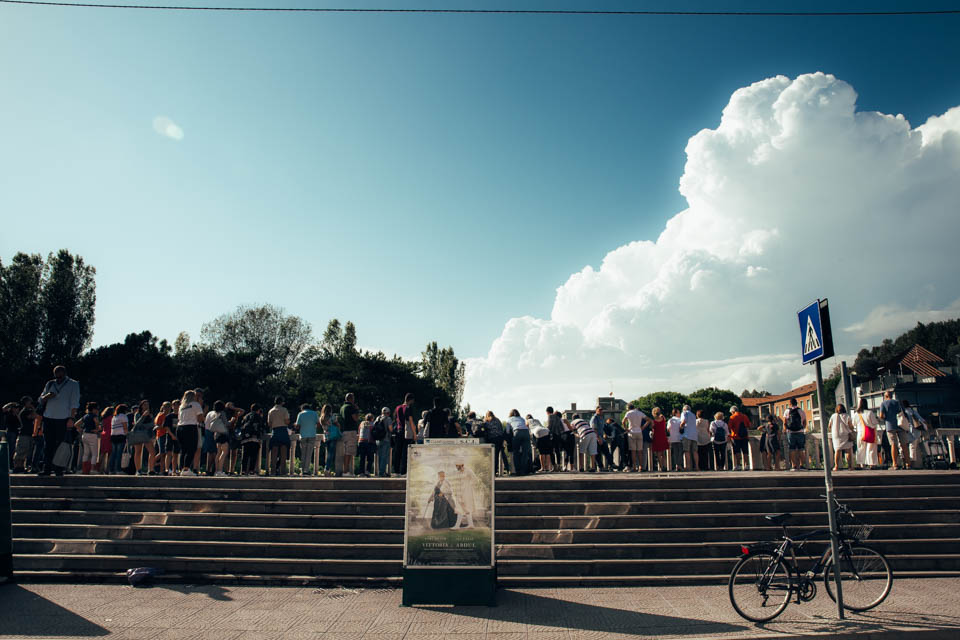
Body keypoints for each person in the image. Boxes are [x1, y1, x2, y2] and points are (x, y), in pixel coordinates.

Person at [37, 365, 80, 476]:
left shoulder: (73, 384)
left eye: (60, 376)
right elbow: (40, 399)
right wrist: (47, 396)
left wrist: (71, 418)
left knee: (61, 445)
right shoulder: (50, 383)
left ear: (64, 373)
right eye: (57, 376)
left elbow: (74, 402)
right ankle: (47, 468)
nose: (58, 378)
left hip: (63, 417)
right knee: (48, 444)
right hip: (49, 416)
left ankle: (58, 468)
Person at [878, 391, 910, 470]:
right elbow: (904, 413)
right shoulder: (897, 402)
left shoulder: (883, 404)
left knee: (893, 444)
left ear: (885, 396)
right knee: (904, 444)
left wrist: (885, 419)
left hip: (890, 425)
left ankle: (895, 464)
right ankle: (908, 463)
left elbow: (881, 415)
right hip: (900, 425)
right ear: (891, 396)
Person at [177, 390, 203, 476]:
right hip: (190, 427)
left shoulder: (181, 406)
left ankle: (181, 468)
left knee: (183, 450)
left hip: (180, 427)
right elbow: (200, 418)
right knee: (191, 448)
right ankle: (187, 468)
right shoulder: (196, 404)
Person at [131, 399, 158, 476]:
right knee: (138, 452)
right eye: (145, 404)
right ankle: (138, 470)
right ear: (141, 406)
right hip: (138, 434)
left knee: (152, 452)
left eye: (147, 404)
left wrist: (146, 424)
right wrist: (143, 416)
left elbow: (152, 425)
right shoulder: (137, 414)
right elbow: (137, 424)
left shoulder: (151, 415)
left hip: (147, 435)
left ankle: (151, 469)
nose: (146, 406)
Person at [622, 404, 650, 473]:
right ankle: (641, 467)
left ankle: (634, 466)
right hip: (639, 432)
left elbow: (623, 421)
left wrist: (626, 428)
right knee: (640, 451)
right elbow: (648, 420)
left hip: (631, 432)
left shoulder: (628, 413)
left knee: (633, 451)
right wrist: (643, 427)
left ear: (628, 408)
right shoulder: (639, 413)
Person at [393, 394, 416, 476]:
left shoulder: (398, 407)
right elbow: (410, 420)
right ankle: (403, 471)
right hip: (406, 432)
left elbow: (395, 419)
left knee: (397, 451)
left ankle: (396, 471)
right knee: (405, 452)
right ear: (410, 400)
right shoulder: (408, 408)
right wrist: (414, 434)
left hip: (398, 431)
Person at [900, 399, 928, 468]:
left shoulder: (902, 412)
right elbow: (921, 419)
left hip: (905, 431)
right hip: (915, 431)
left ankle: (904, 462)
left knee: (902, 447)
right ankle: (911, 463)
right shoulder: (912, 411)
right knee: (913, 447)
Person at [239, 404, 265, 476]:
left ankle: (243, 471)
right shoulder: (258, 416)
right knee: (253, 456)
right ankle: (251, 471)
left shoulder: (246, 416)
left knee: (245, 456)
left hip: (245, 439)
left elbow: (241, 426)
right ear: (258, 410)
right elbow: (261, 427)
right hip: (254, 438)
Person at [267, 397, 291, 476]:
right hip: (283, 431)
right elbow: (287, 421)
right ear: (282, 402)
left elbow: (269, 423)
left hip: (275, 431)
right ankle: (283, 471)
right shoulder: (284, 410)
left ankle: (273, 471)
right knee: (283, 453)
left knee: (274, 453)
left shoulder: (271, 411)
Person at [854, 398, 880, 469]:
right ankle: (871, 464)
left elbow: (853, 424)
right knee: (871, 449)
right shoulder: (869, 413)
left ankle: (861, 464)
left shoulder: (856, 414)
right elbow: (874, 423)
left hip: (860, 433)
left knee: (860, 449)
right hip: (870, 433)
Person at [452, 461, 479, 529]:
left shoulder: (468, 471)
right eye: (456, 465)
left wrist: (469, 485)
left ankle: (458, 526)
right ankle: (470, 525)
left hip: (467, 492)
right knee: (460, 507)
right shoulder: (458, 472)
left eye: (457, 465)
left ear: (461, 465)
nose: (456, 467)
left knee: (466, 507)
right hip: (459, 492)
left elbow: (475, 479)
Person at [783, 398, 808, 471]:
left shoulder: (787, 411)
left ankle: (793, 466)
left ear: (790, 404)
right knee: (801, 449)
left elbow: (784, 422)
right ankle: (801, 465)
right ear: (796, 403)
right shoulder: (801, 411)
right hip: (800, 432)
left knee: (792, 449)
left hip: (790, 432)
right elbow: (804, 422)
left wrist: (785, 430)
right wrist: (802, 429)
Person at [295, 403, 320, 476]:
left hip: (303, 436)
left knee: (303, 453)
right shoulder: (314, 413)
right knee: (309, 454)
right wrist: (313, 427)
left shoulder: (300, 414)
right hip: (312, 435)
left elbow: (297, 426)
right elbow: (318, 425)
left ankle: (303, 470)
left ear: (302, 408)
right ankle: (306, 470)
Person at [75, 401, 99, 475]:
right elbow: (97, 422)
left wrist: (80, 429)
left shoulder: (85, 416)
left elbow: (76, 424)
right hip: (92, 435)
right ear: (94, 409)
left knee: (86, 453)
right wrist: (97, 428)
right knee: (94, 453)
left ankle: (84, 469)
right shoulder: (94, 416)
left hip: (84, 435)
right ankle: (92, 469)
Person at [339, 393, 360, 476]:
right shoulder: (351, 407)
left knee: (346, 451)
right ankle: (346, 471)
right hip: (351, 431)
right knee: (349, 452)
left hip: (344, 431)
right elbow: (355, 418)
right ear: (351, 399)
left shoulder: (342, 407)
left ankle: (346, 470)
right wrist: (356, 410)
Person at [506, 409, 531, 475]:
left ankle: (518, 471)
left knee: (516, 452)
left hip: (517, 433)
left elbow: (507, 431)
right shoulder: (522, 418)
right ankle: (523, 471)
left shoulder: (509, 419)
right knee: (525, 453)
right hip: (526, 432)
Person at [483, 411, 509, 476]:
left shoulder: (487, 422)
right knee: (503, 454)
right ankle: (508, 470)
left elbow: (485, 430)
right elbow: (501, 428)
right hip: (500, 438)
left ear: (487, 416)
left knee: (495, 456)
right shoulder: (497, 420)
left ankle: (494, 472)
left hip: (493, 439)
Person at [728, 405, 751, 471]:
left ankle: (738, 465)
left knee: (737, 451)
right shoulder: (745, 416)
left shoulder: (732, 417)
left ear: (733, 411)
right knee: (745, 451)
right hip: (744, 436)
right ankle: (747, 465)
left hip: (736, 437)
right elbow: (749, 425)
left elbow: (729, 427)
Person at [108, 403, 129, 475]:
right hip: (121, 436)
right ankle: (118, 469)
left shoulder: (114, 417)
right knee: (119, 453)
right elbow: (125, 427)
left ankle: (111, 470)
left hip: (113, 436)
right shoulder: (123, 416)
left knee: (113, 453)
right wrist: (127, 435)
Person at [373, 407, 393, 478]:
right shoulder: (388, 418)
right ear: (388, 413)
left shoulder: (378, 418)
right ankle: (382, 472)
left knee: (380, 456)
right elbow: (390, 429)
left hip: (378, 440)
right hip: (386, 439)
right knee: (384, 456)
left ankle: (379, 471)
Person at [680, 404, 699, 472]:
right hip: (694, 435)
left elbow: (683, 421)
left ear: (684, 409)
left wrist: (681, 426)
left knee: (686, 450)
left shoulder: (684, 413)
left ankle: (688, 466)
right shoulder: (693, 415)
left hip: (687, 434)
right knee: (695, 451)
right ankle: (696, 466)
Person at [546, 407, 565, 471]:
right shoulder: (558, 417)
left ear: (547, 412)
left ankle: (554, 466)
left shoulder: (549, 416)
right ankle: (559, 465)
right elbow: (562, 428)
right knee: (557, 451)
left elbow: (549, 426)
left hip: (552, 435)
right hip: (558, 435)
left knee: (551, 451)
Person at [357, 413, 376, 477]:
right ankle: (367, 471)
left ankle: (361, 472)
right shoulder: (373, 424)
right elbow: (373, 433)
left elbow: (359, 432)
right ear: (372, 418)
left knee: (362, 458)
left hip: (361, 441)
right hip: (369, 442)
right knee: (370, 458)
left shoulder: (361, 423)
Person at [650, 407, 668, 472]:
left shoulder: (653, 421)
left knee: (658, 453)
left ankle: (661, 467)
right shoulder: (663, 419)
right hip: (663, 436)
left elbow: (652, 429)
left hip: (657, 437)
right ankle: (665, 466)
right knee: (663, 453)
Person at [97, 406, 114, 474]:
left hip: (103, 435)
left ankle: (99, 469)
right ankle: (107, 469)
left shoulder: (104, 418)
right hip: (110, 435)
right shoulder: (112, 418)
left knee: (102, 453)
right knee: (110, 453)